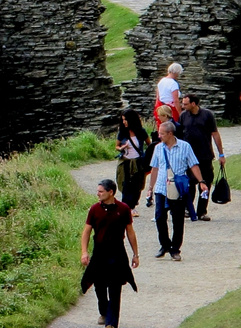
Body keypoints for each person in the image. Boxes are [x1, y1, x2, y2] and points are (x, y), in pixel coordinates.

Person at [81, 177, 140, 328]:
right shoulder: (94, 209)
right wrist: (84, 252)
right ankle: (104, 311)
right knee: (99, 286)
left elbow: (130, 232)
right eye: (97, 191)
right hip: (99, 252)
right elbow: (86, 232)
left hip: (117, 252)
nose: (98, 194)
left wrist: (135, 254)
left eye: (101, 191)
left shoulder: (124, 209)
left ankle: (112, 323)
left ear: (111, 192)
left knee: (115, 288)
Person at [147, 120, 203, 260]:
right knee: (160, 217)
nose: (159, 136)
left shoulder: (185, 147)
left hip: (177, 188)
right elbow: (154, 168)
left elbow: (193, 165)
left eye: (161, 133)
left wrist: (201, 181)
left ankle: (175, 248)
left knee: (178, 219)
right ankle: (165, 244)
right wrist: (150, 188)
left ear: (170, 133)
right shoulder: (158, 148)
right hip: (161, 187)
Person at [178, 92, 224, 220]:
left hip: (204, 155)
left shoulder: (207, 115)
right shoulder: (183, 116)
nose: (183, 106)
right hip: (188, 156)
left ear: (193, 103)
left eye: (185, 104)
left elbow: (215, 134)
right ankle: (189, 208)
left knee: (206, 183)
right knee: (190, 183)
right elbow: (179, 136)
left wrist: (221, 153)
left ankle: (202, 211)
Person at [116, 110, 149, 209]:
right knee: (125, 184)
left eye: (126, 120)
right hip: (126, 161)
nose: (124, 122)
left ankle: (133, 205)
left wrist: (146, 158)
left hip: (138, 162)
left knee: (137, 186)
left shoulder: (141, 131)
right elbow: (116, 146)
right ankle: (126, 207)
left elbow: (149, 144)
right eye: (123, 120)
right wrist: (121, 148)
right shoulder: (122, 132)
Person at [155, 62, 182, 128]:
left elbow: (158, 96)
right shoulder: (173, 83)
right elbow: (176, 100)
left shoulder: (161, 81)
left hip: (161, 107)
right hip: (171, 109)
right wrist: (180, 114)